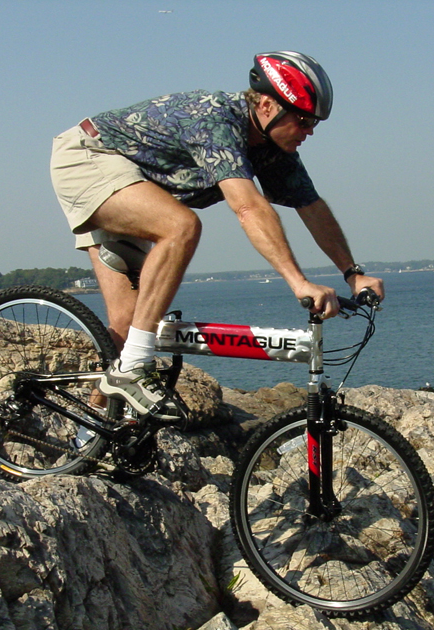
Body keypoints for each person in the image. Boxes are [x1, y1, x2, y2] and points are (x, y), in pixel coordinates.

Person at [50, 51, 385, 419]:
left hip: (137, 183)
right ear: (268, 106)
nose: (310, 131)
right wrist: (299, 283)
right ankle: (132, 368)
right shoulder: (215, 120)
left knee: (130, 324)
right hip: (91, 156)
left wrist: (352, 273)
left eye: (314, 123)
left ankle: (91, 427)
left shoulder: (273, 148)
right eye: (303, 121)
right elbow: (248, 207)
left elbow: (312, 207)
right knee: (180, 226)